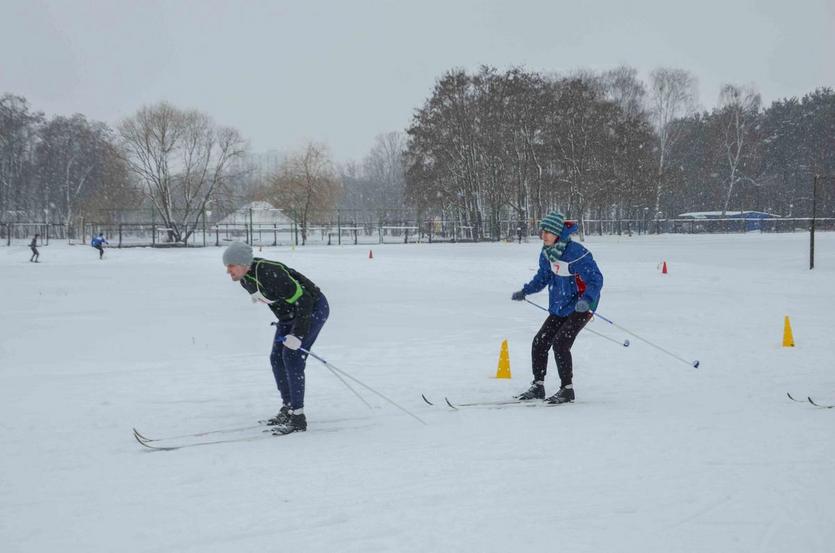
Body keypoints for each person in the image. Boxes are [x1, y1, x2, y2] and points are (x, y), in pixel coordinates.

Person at [223, 241, 329, 435]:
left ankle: (298, 418)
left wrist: (297, 334)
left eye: (231, 265)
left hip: (313, 308)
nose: (228, 271)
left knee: (292, 357)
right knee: (276, 357)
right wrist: (284, 325)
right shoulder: (246, 280)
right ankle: (288, 407)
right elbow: (277, 303)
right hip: (291, 315)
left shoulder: (269, 272)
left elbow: (304, 300)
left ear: (243, 263)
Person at [511, 211, 603, 404]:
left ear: (558, 234)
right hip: (561, 306)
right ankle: (538, 386)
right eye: (542, 231)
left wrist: (587, 300)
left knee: (560, 343)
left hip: (582, 306)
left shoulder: (577, 253)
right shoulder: (547, 254)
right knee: (540, 342)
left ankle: (567, 389)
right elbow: (543, 277)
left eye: (548, 232)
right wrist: (526, 291)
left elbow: (596, 279)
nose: (543, 235)